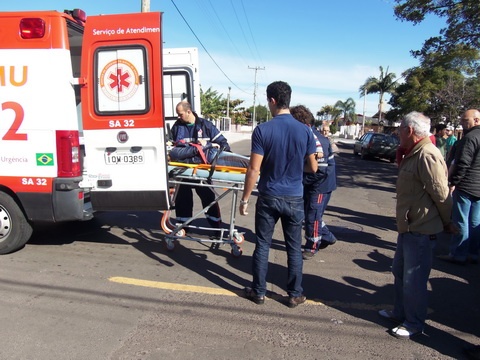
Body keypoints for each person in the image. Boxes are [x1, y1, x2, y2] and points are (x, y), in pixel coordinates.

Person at [239, 81, 317, 308]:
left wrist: (245, 199)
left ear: (272, 100)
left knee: (263, 244)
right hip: (294, 197)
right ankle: (294, 294)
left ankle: (259, 292)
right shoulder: (304, 130)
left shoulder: (263, 130)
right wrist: (294, 168)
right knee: (294, 247)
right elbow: (313, 168)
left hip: (269, 196)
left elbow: (254, 169)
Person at [379, 111, 455, 339]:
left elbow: (442, 195)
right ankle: (400, 312)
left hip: (422, 229)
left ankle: (414, 323)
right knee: (400, 272)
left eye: (400, 129)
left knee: (414, 280)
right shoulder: (413, 153)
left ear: (409, 131)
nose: (397, 134)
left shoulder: (427, 155)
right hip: (408, 228)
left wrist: (448, 222)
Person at [170, 101, 231, 233]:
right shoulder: (177, 127)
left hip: (202, 171)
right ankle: (183, 226)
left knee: (208, 198)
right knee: (182, 199)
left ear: (188, 111)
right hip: (184, 171)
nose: (178, 117)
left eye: (180, 114)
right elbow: (170, 146)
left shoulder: (206, 126)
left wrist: (209, 147)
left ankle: (216, 227)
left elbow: (224, 145)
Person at [289, 105, 337, 260]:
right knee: (308, 215)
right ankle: (327, 237)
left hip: (320, 185)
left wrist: (299, 181)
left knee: (313, 215)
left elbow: (319, 171)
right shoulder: (303, 136)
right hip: (310, 182)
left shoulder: (318, 141)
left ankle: (312, 246)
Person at [438, 108, 480, 265]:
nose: (462, 124)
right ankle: (473, 253)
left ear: (476, 120)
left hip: (466, 185)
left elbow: (462, 163)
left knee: (461, 221)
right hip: (477, 187)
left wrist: (453, 182)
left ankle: (458, 254)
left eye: (465, 120)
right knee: (475, 222)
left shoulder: (469, 138)